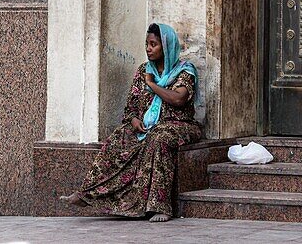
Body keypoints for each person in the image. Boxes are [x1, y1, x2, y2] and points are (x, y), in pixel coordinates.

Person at [60, 23, 201, 222]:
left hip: (179, 124)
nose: (148, 48)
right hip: (146, 126)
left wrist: (152, 84)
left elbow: (178, 99)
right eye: (147, 44)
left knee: (159, 139)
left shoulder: (184, 71)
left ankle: (161, 207)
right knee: (120, 137)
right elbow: (131, 106)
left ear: (166, 47)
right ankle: (88, 193)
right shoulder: (143, 70)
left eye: (154, 44)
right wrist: (134, 120)